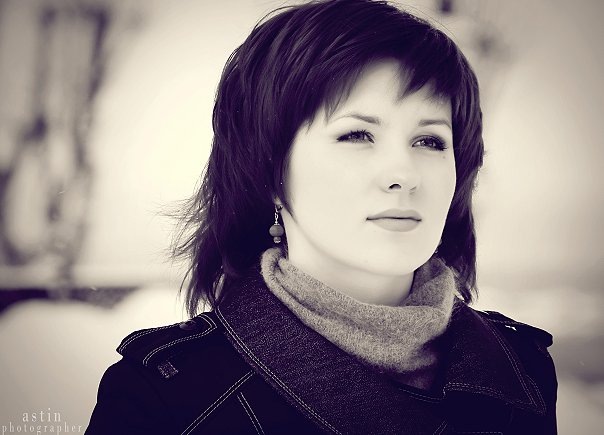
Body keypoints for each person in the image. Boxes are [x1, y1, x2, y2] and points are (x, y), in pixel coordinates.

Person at [86, 0, 557, 433]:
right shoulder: (166, 396)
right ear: (270, 172)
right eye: (357, 135)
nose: (404, 174)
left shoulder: (521, 369)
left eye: (430, 141)